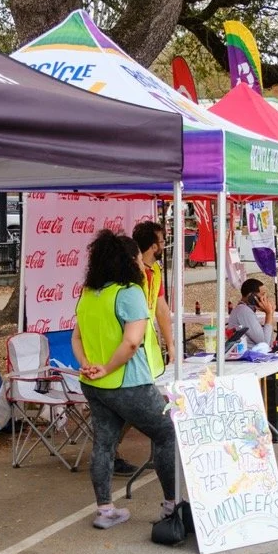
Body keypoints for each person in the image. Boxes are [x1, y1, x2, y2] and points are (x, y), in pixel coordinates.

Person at [72, 229, 178, 529]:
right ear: (128, 260)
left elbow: (76, 337)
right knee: (165, 434)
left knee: (104, 444)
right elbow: (132, 342)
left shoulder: (89, 294)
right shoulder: (129, 292)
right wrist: (106, 368)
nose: (142, 263)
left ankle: (105, 510)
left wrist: (89, 367)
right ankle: (171, 505)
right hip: (129, 383)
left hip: (94, 385)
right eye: (136, 258)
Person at [132, 220, 175, 373]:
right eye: (162, 242)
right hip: (131, 346)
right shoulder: (131, 273)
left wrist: (170, 344)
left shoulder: (155, 269)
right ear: (154, 247)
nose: (164, 246)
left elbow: (161, 309)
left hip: (148, 346)